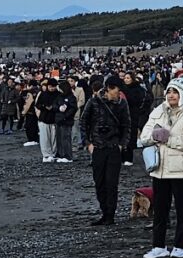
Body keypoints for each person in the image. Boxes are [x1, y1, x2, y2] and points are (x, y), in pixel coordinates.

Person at [139, 77, 183, 258]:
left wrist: (167, 138)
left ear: (182, 94)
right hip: (160, 168)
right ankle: (159, 245)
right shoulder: (158, 111)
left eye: (175, 92)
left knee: (182, 209)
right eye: (169, 92)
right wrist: (156, 136)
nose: (172, 95)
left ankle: (180, 245)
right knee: (160, 209)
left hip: (181, 169)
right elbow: (145, 136)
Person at [80, 75, 131, 226]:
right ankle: (104, 211)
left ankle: (110, 215)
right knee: (99, 182)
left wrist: (122, 144)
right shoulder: (94, 101)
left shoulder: (122, 104)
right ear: (109, 88)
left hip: (114, 147)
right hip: (98, 147)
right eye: (116, 90)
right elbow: (84, 122)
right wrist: (88, 143)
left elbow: (127, 125)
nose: (118, 93)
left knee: (112, 183)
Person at [122, 72, 150, 166]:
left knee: (131, 137)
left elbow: (140, 101)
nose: (126, 79)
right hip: (123, 116)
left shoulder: (138, 89)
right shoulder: (122, 89)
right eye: (125, 78)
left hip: (133, 115)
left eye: (128, 78)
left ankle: (129, 158)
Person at [35, 78, 61, 163]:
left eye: (53, 87)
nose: (52, 88)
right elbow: (37, 105)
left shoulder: (59, 94)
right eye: (50, 86)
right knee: (44, 138)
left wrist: (53, 107)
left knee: (54, 139)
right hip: (44, 118)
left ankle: (53, 154)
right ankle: (46, 154)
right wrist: (44, 106)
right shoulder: (43, 94)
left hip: (54, 119)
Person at [55, 78, 78, 162]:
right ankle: (61, 154)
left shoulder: (71, 97)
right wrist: (58, 108)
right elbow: (54, 105)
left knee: (66, 138)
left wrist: (65, 115)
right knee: (59, 138)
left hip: (66, 120)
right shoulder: (59, 97)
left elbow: (73, 108)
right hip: (59, 120)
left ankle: (67, 156)